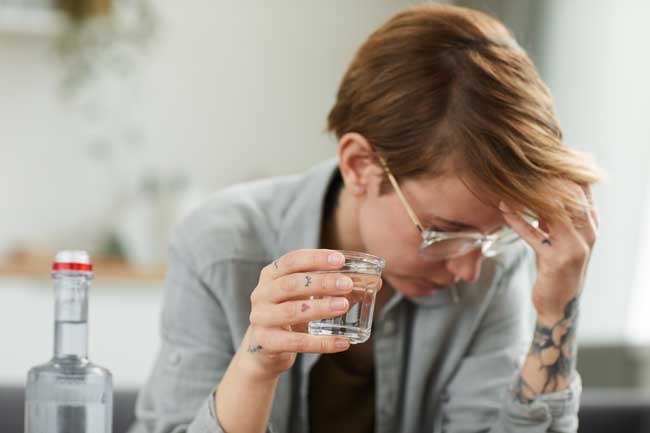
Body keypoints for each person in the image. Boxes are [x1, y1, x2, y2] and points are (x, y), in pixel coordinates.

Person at [129, 4, 603, 433]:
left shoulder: (494, 268)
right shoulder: (221, 245)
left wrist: (558, 312)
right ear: (359, 166)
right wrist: (256, 367)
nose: (468, 270)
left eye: (492, 237)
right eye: (446, 232)